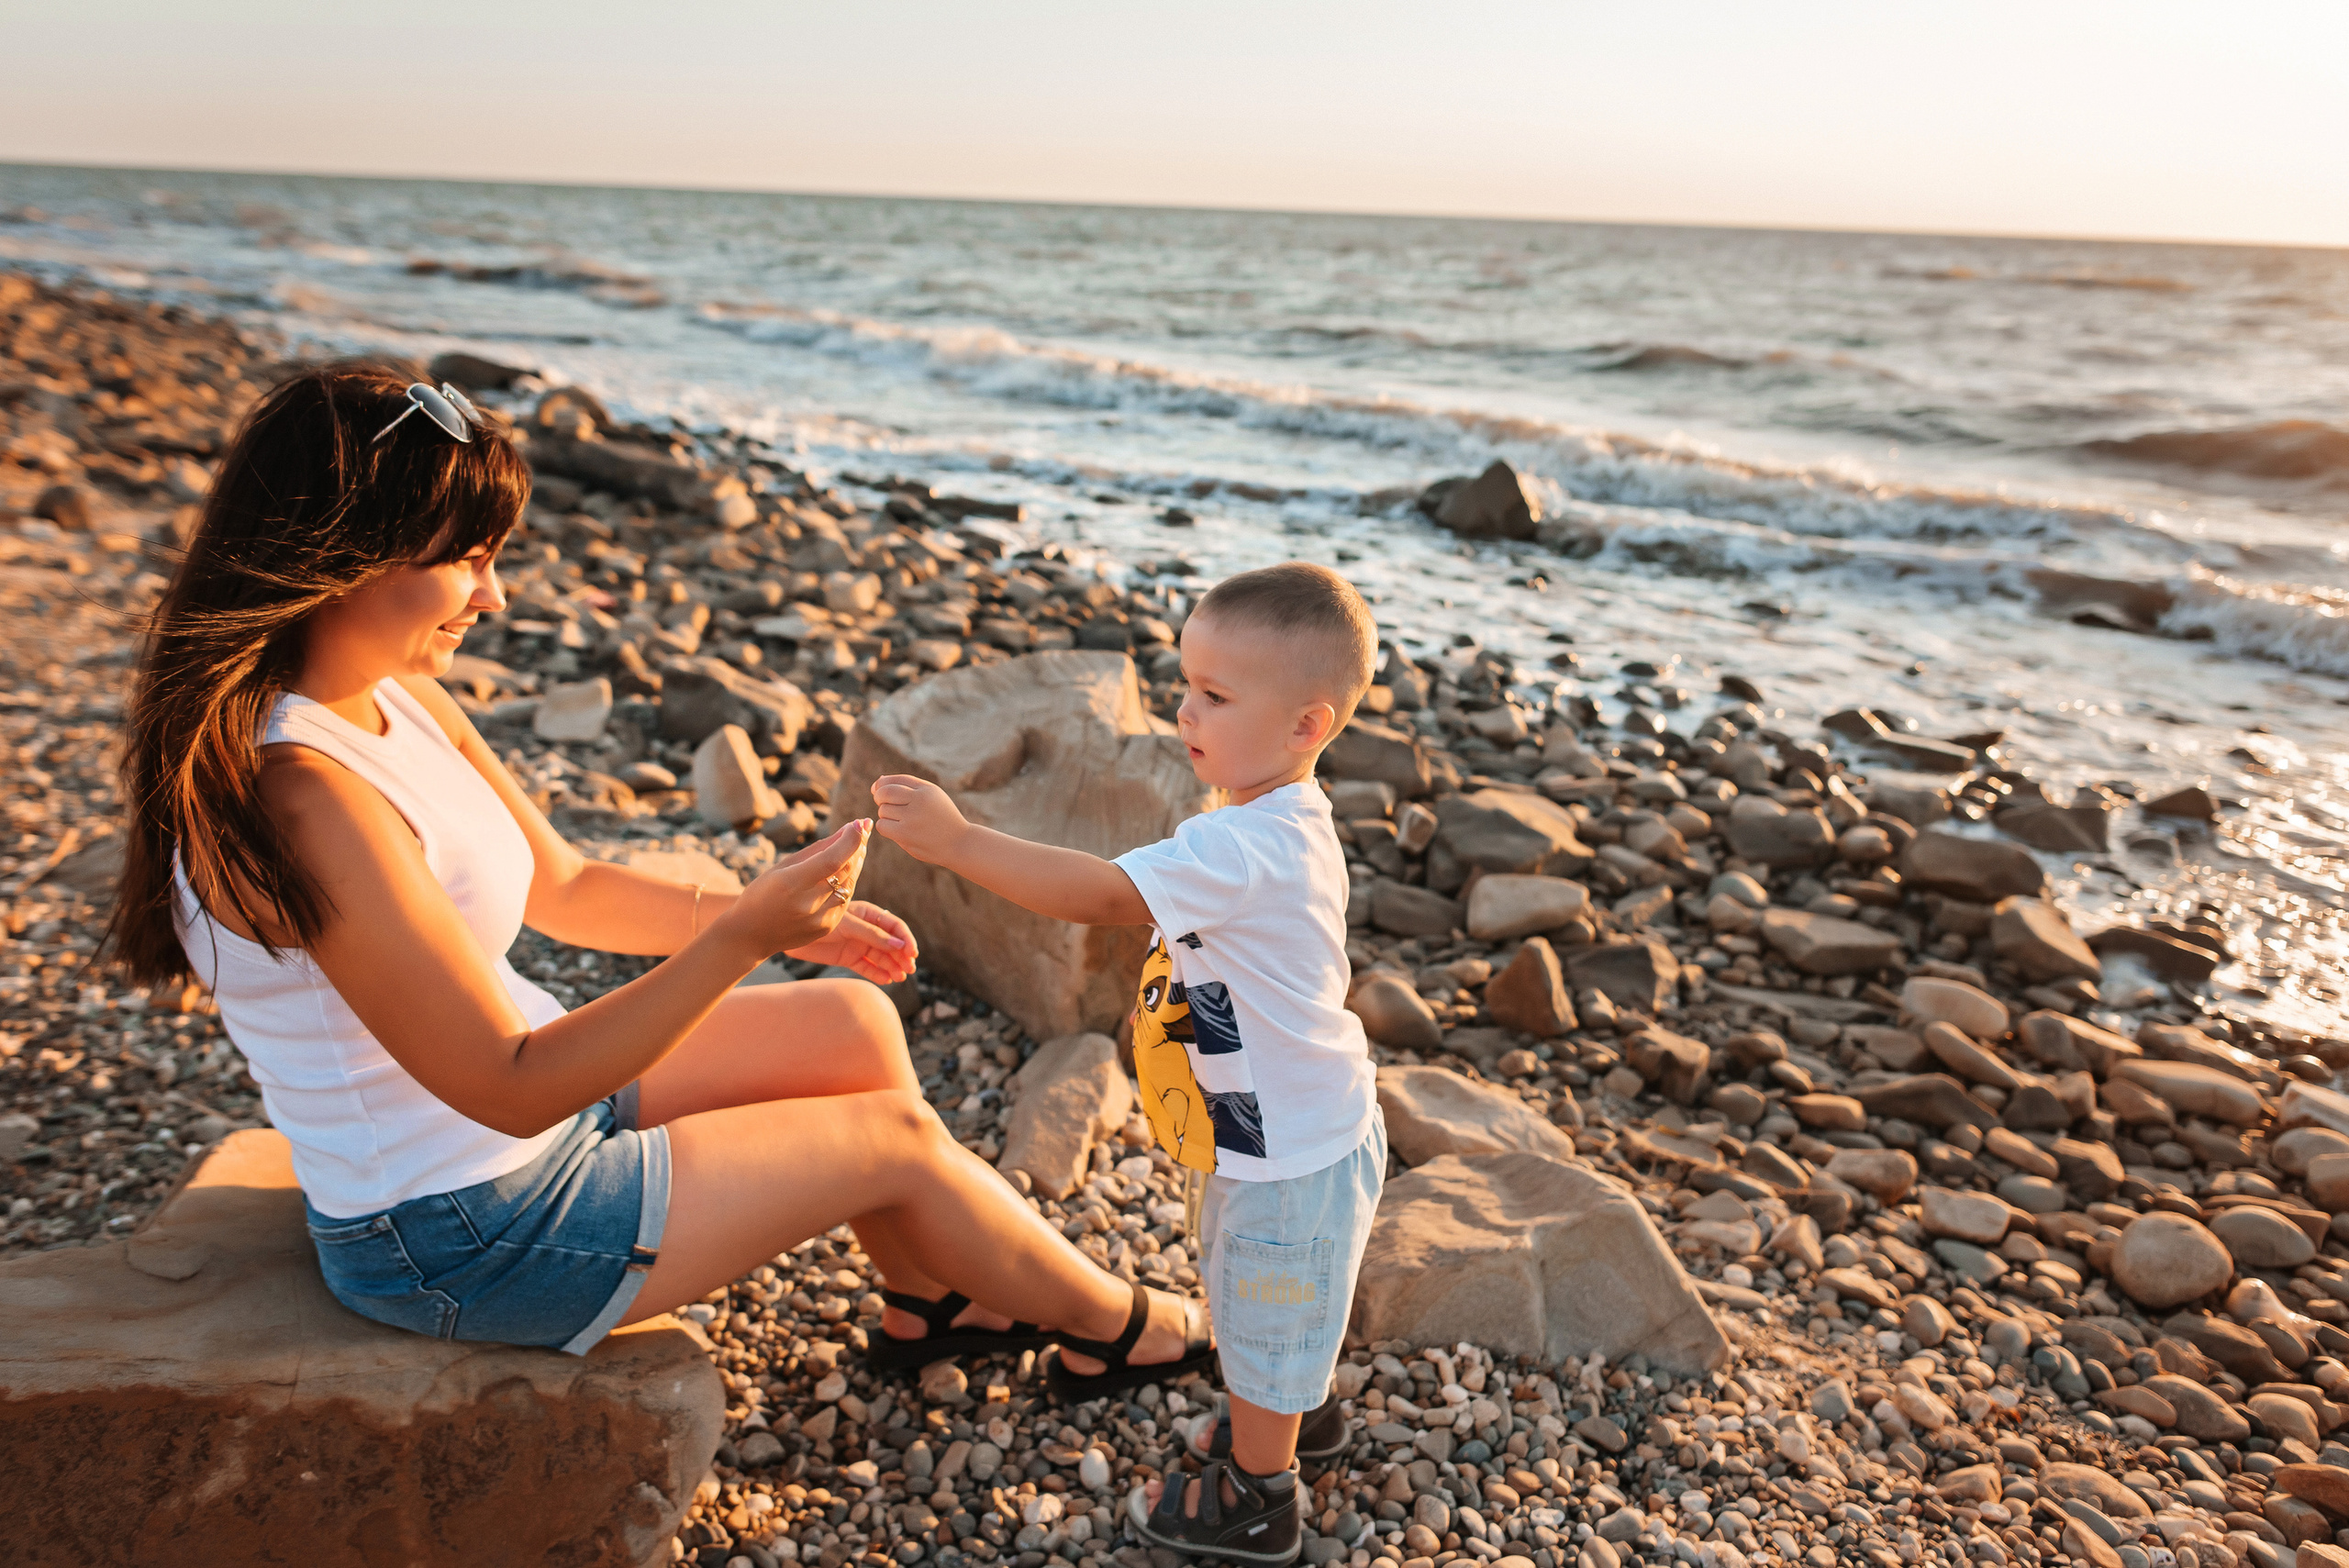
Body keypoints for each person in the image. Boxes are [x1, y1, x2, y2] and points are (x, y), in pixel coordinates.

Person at [103, 362, 1211, 1386]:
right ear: (339, 558)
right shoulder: (303, 800)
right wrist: (738, 939)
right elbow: (506, 1080)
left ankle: (937, 1301)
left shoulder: (394, 696)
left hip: (533, 1127)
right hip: (461, 1230)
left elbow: (568, 885)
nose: (492, 598)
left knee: (851, 1030)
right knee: (897, 1144)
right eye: (466, 559)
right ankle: (1131, 1328)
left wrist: (772, 921)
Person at [874, 561, 1387, 1566]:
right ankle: (1296, 1419)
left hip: (1288, 1150)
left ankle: (1258, 1493)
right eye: (1184, 685)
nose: (1185, 712)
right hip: (1284, 1121)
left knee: (1265, 1298)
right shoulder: (1273, 816)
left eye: (1217, 696)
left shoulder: (1247, 846)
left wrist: (959, 841)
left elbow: (1100, 892)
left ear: (1305, 725)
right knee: (1273, 1295)